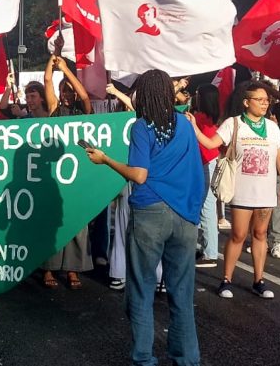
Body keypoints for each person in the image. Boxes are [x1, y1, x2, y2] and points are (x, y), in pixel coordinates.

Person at [89, 70, 204, 366]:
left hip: (150, 212)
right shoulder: (185, 124)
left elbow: (139, 175)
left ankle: (143, 358)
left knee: (141, 290)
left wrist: (105, 160)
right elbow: (196, 168)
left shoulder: (141, 127)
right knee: (181, 294)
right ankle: (186, 358)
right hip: (184, 214)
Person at [191, 81, 280, 299]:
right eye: (260, 100)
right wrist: (194, 127)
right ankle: (226, 279)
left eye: (267, 100)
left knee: (260, 234)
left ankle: (259, 280)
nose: (265, 104)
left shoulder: (272, 127)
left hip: (265, 192)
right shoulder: (233, 123)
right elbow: (210, 144)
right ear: (247, 102)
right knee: (238, 234)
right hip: (241, 191)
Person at [41, 52, 93, 289]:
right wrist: (54, 63)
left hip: (77, 176)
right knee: (52, 221)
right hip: (56, 175)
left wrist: (67, 70)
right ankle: (49, 269)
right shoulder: (54, 109)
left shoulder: (82, 112)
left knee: (76, 222)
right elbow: (47, 82)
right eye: (65, 91)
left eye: (70, 91)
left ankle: (73, 269)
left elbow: (84, 95)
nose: (69, 95)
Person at [192, 84, 221, 268]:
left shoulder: (198, 118)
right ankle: (209, 250)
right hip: (213, 160)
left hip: (204, 162)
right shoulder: (216, 116)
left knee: (203, 206)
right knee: (208, 207)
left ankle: (207, 251)